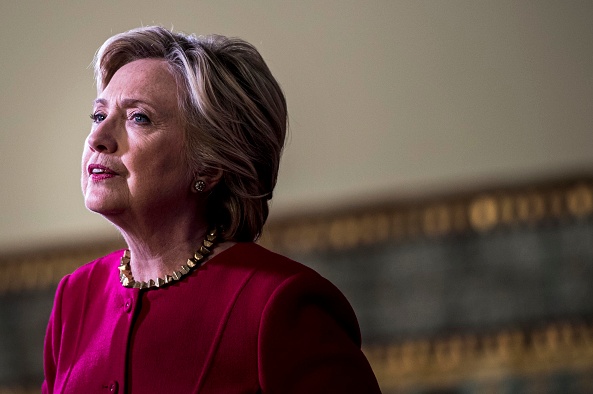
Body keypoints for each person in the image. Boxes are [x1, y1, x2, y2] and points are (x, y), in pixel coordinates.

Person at [42, 26, 381, 393]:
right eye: (98, 115)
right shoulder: (75, 298)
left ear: (209, 166)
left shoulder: (280, 304)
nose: (97, 138)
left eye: (139, 117)